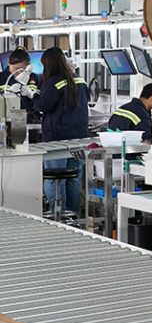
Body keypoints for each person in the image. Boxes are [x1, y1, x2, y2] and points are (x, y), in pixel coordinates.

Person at [35, 48, 90, 219]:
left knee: (54, 178)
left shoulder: (53, 82)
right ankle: (71, 217)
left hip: (57, 139)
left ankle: (57, 217)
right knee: (74, 178)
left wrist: (31, 95)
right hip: (79, 138)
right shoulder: (79, 79)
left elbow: (43, 105)